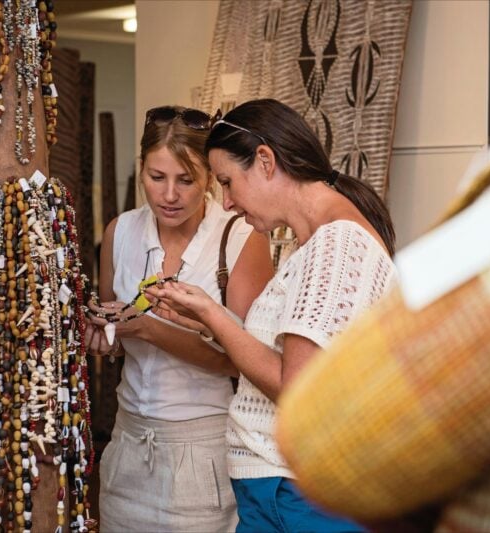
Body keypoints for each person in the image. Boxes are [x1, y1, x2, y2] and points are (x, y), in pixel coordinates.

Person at [148, 98, 398, 532]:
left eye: (227, 182)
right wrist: (209, 323)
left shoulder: (336, 245)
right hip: (285, 490)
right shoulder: (318, 242)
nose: (226, 203)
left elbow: (295, 386)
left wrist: (214, 313)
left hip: (299, 493)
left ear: (265, 161)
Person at [84, 105, 275, 532]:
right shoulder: (120, 232)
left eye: (186, 180)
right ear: (141, 170)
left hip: (204, 450)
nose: (170, 195)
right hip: (128, 444)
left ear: (210, 176)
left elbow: (243, 362)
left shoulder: (241, 237)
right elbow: (115, 339)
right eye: (157, 178)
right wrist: (103, 335)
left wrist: (149, 329)